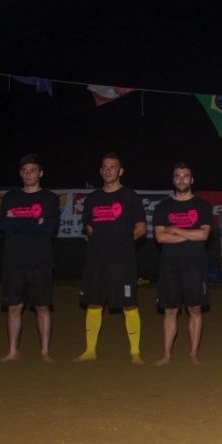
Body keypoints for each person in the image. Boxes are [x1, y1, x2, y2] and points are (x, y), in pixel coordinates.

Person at [75, 153, 146, 364]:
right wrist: (102, 243)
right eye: (105, 167)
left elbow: (141, 228)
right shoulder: (92, 199)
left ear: (120, 171)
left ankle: (135, 352)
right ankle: (90, 350)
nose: (108, 170)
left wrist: (122, 243)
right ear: (100, 171)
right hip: (96, 260)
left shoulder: (130, 197)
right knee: (94, 304)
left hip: (122, 261)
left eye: (112, 167)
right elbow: (89, 227)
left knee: (128, 305)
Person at [0, 154, 60, 362]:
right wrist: (35, 221)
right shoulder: (10, 197)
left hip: (40, 261)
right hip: (14, 261)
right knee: (14, 307)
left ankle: (45, 352)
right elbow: (4, 225)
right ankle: (12, 351)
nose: (28, 174)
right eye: (24, 171)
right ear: (20, 174)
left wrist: (18, 221)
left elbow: (48, 228)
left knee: (42, 307)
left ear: (40, 173)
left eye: (32, 170)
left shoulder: (49, 198)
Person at [151, 163, 213, 366]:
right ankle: (166, 355)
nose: (181, 179)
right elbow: (160, 237)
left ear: (191, 180)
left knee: (195, 309)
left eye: (185, 176)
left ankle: (193, 354)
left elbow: (203, 235)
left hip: (195, 266)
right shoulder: (162, 207)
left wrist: (176, 230)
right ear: (173, 180)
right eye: (177, 176)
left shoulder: (202, 206)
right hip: (170, 267)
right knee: (170, 311)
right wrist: (190, 234)